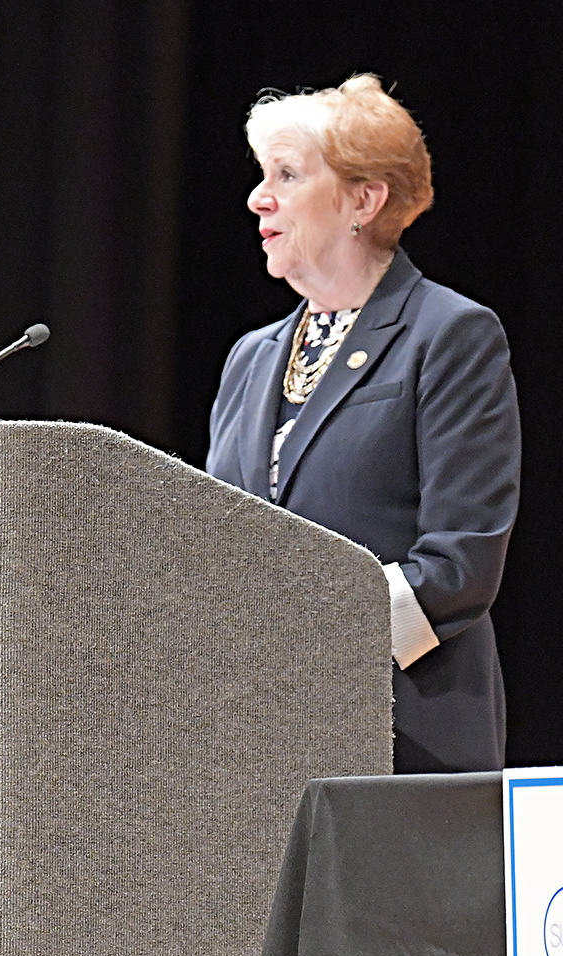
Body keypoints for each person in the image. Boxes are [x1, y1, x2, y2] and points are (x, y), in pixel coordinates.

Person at [205, 74, 520, 773]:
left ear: (362, 199)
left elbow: (459, 566)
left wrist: (298, 639)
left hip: (407, 737)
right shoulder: (249, 360)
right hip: (257, 743)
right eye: (263, 176)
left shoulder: (450, 335)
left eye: (286, 175)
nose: (260, 197)